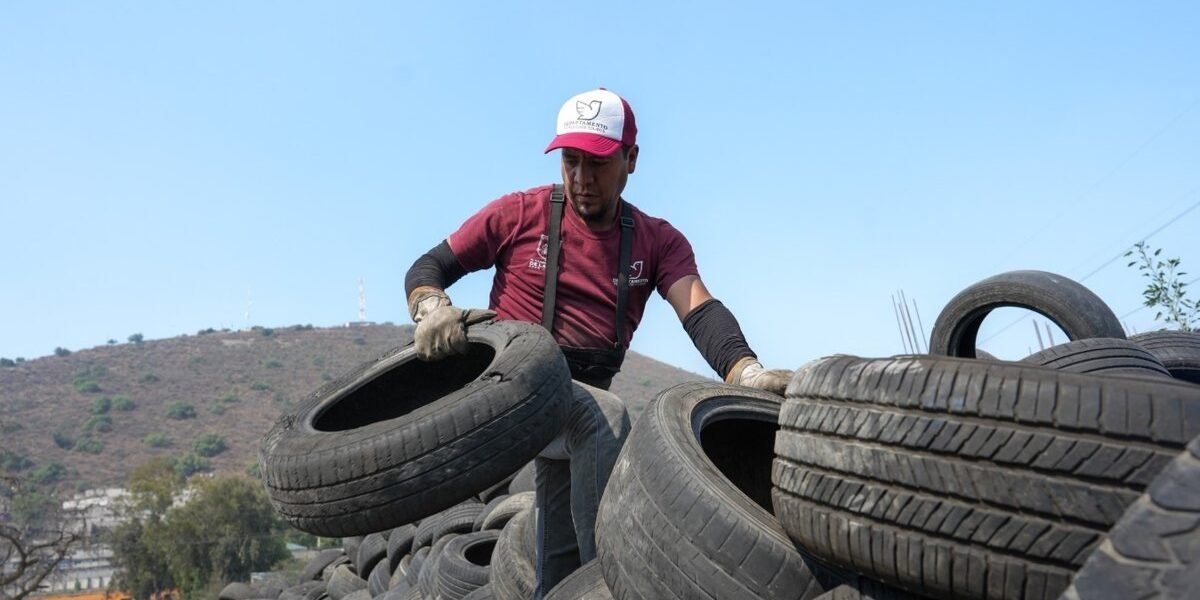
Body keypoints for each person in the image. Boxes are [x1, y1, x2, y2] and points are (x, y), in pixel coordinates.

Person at [403, 88, 792, 597]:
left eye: (599, 163)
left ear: (630, 159)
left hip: (574, 402)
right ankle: (611, 589)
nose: (582, 178)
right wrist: (431, 307)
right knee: (604, 419)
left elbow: (697, 307)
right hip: (511, 391)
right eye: (571, 161)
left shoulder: (657, 241)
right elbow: (426, 268)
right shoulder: (517, 215)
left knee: (559, 553)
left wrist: (745, 370)